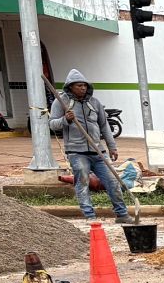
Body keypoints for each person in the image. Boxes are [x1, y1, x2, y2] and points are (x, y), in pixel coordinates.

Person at [48, 68, 131, 224]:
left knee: (112, 181)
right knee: (83, 182)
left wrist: (112, 147)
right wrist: (66, 119)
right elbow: (52, 124)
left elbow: (104, 126)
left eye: (84, 85)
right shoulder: (61, 102)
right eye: (79, 85)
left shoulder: (94, 102)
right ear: (70, 86)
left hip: (98, 151)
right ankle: (90, 216)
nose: (83, 88)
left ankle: (122, 214)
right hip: (76, 152)